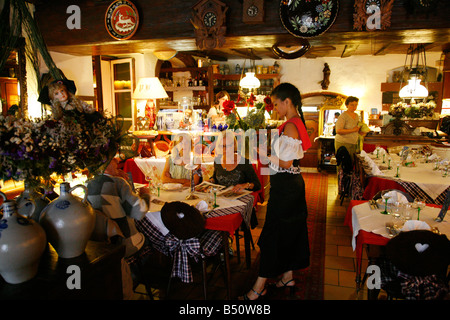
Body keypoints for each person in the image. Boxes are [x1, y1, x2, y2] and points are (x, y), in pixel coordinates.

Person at [241, 82, 312, 300]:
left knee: (273, 233)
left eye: (275, 103)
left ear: (287, 101)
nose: (273, 108)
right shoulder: (294, 122)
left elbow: (287, 163)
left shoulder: (291, 125)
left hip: (287, 188)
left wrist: (263, 152)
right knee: (289, 231)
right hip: (290, 186)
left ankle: (259, 285)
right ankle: (287, 276)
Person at [86, 157, 151, 299]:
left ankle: (122, 277)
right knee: (147, 240)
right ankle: (131, 278)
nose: (117, 162)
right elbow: (139, 211)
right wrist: (146, 194)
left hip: (101, 243)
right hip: (122, 242)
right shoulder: (118, 183)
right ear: (106, 164)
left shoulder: (88, 184)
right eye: (113, 159)